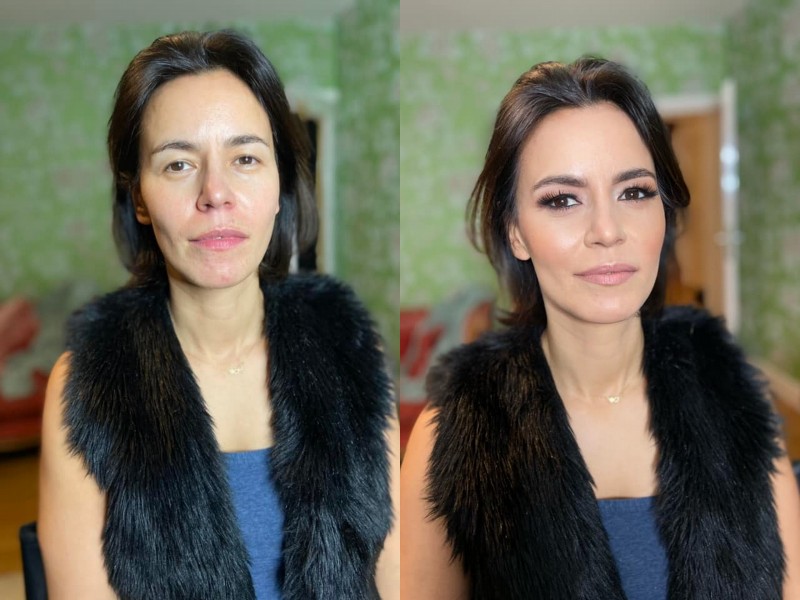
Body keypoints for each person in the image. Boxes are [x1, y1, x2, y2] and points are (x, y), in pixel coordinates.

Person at [400, 57, 800, 599]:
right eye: (562, 200)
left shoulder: (738, 403)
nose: (607, 231)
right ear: (516, 232)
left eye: (634, 192)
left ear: (664, 212)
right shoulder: (452, 432)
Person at [38, 30, 398, 600]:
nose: (216, 193)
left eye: (245, 158)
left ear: (280, 183)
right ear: (139, 198)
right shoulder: (87, 383)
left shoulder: (351, 351)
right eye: (178, 164)